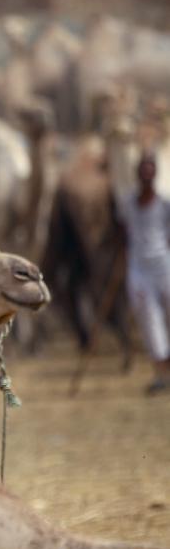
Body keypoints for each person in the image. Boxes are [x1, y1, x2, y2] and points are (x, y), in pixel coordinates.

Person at [117, 153, 170, 395]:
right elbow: (123, 233)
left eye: (150, 171)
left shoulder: (165, 203)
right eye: (143, 171)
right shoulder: (128, 203)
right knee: (150, 321)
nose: (147, 176)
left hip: (164, 266)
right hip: (139, 269)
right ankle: (160, 373)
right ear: (137, 175)